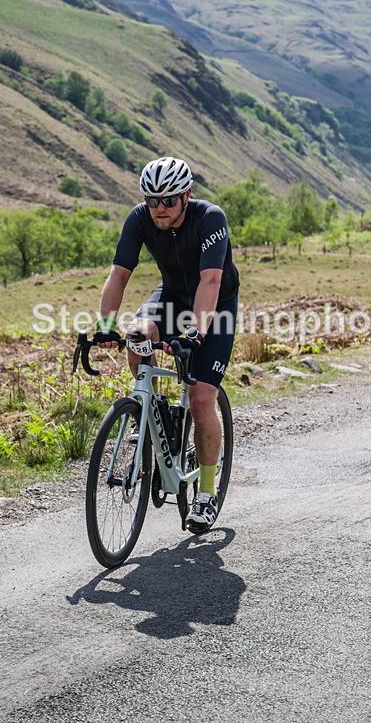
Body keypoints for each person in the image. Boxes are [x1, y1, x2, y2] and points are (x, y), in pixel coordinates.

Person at [95, 156, 239, 533]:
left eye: (169, 201)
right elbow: (119, 273)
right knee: (136, 335)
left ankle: (206, 494)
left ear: (186, 196)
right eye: (152, 200)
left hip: (215, 303)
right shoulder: (139, 218)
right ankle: (150, 410)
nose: (159, 208)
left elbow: (210, 281)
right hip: (172, 295)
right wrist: (105, 324)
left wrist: (196, 333)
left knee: (202, 397)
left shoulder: (210, 218)